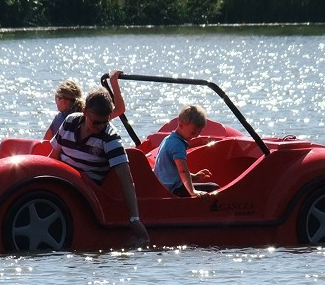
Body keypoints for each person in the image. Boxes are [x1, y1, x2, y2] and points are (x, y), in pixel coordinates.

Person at [50, 87, 149, 245]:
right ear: (84, 111)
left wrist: (134, 219)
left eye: (105, 121)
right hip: (60, 186)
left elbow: (126, 180)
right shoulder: (69, 122)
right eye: (96, 122)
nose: (100, 126)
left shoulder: (110, 139)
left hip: (82, 196)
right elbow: (53, 158)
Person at [43, 70, 125, 141]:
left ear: (62, 100)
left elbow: (45, 143)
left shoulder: (59, 119)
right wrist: (114, 82)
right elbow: (120, 109)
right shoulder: (90, 114)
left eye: (56, 98)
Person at [152, 105, 213, 197]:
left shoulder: (169, 139)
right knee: (214, 188)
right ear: (181, 124)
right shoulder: (178, 145)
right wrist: (192, 191)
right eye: (193, 132)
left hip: (164, 186)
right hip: (173, 190)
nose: (195, 136)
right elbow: (182, 171)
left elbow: (173, 172)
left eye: (198, 133)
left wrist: (195, 177)